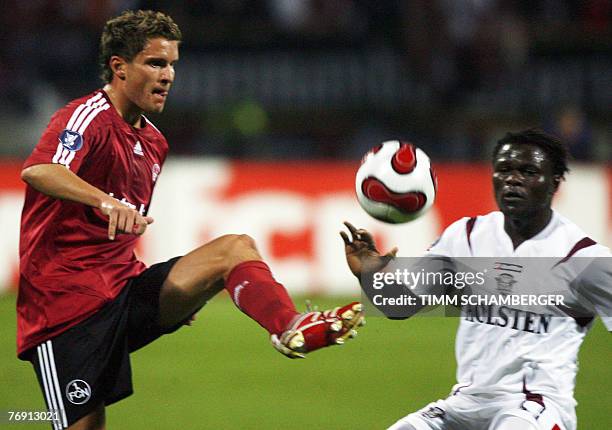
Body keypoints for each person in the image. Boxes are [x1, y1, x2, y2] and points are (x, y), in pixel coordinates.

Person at [17, 10, 364, 430]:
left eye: (172, 65)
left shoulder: (153, 142)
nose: (168, 76)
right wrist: (104, 201)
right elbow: (40, 170)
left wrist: (180, 298)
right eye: (156, 63)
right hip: (66, 308)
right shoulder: (87, 116)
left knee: (235, 249)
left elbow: (113, 240)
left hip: (121, 291)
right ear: (119, 67)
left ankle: (288, 325)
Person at [341, 129, 612, 430]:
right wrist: (368, 271)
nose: (513, 179)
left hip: (537, 407)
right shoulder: (466, 237)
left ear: (555, 182)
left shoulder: (583, 258)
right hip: (467, 403)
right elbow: (399, 305)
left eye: (528, 171)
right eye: (504, 169)